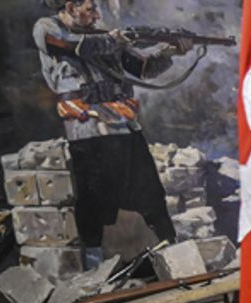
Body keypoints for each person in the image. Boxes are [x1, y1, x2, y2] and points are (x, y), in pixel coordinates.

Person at [33, 0, 195, 259]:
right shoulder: (47, 28)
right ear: (71, 7)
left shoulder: (105, 36)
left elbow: (141, 69)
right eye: (90, 8)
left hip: (124, 126)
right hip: (87, 130)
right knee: (94, 199)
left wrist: (169, 52)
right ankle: (94, 264)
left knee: (150, 192)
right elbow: (76, 46)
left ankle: (171, 253)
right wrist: (115, 39)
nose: (96, 14)